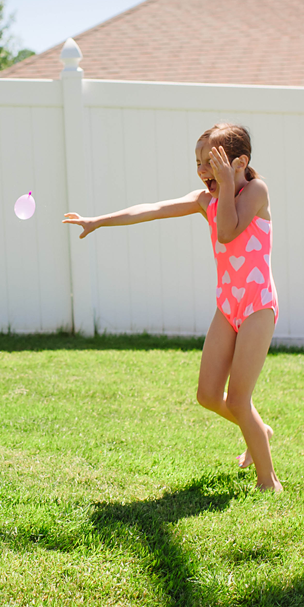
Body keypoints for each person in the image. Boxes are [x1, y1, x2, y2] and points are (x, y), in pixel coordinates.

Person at [63, 124, 282, 491]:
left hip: (258, 305)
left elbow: (228, 232)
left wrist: (227, 184)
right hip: (227, 304)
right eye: (198, 162)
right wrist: (99, 221)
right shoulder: (206, 200)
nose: (202, 170)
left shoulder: (256, 190)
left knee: (240, 398)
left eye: (211, 161)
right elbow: (152, 209)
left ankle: (268, 479)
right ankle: (258, 429)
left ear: (240, 161)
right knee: (208, 395)